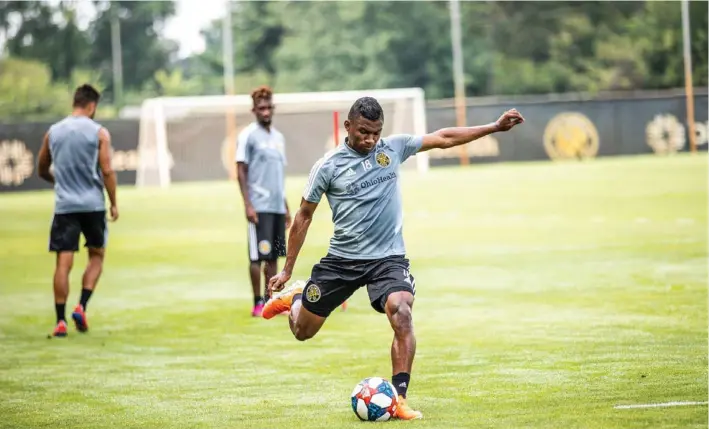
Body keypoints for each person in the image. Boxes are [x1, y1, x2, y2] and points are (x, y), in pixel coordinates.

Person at [262, 97, 524, 420]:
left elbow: (443, 138)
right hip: (342, 261)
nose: (370, 140)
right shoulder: (327, 167)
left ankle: (399, 397)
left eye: (375, 133)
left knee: (401, 310)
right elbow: (303, 217)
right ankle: (297, 298)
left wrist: (494, 127)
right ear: (348, 127)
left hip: (388, 259)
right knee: (302, 331)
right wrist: (287, 269)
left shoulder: (392, 149)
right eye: (363, 132)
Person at [37, 84, 118, 338]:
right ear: (92, 106)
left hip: (65, 207)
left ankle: (60, 321)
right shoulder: (99, 133)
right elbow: (106, 170)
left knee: (63, 262)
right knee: (96, 255)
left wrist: (59, 182)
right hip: (93, 204)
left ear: (75, 102)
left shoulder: (53, 132)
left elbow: (41, 168)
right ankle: (81, 306)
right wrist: (113, 201)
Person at [235, 86, 291, 317]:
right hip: (259, 206)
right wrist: (248, 204)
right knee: (258, 256)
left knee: (275, 255)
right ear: (254, 110)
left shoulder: (278, 138)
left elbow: (277, 176)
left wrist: (286, 207)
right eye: (261, 108)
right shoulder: (248, 135)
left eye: (268, 107)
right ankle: (257, 302)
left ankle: (272, 302)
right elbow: (240, 170)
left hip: (277, 206)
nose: (265, 112)